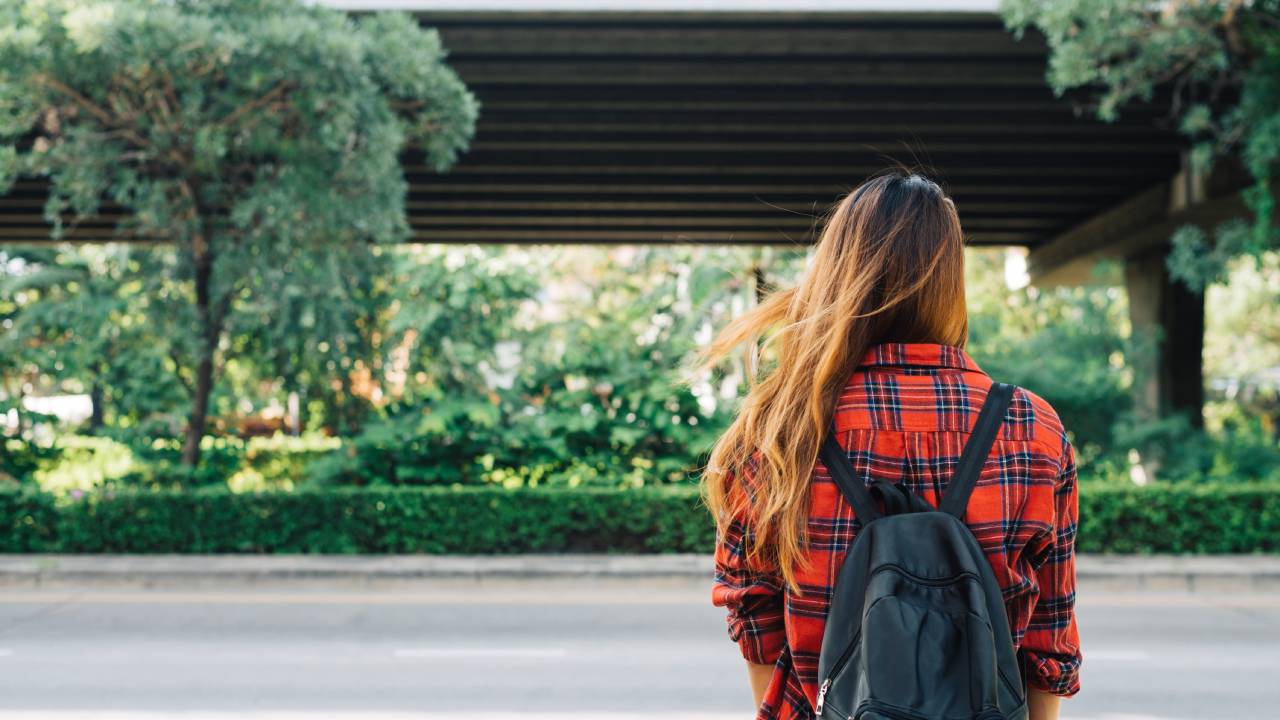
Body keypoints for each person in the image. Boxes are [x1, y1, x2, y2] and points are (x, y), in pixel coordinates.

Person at [700, 171, 1081, 720]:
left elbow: (755, 623)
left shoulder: (778, 428)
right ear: (950, 281)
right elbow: (1049, 644)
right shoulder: (1030, 427)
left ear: (838, 273)